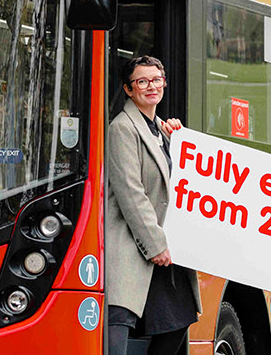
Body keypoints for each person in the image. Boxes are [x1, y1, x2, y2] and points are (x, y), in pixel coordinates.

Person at [106, 56, 200, 355]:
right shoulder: (122, 128)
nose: (151, 87)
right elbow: (131, 192)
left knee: (178, 318)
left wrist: (178, 142)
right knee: (118, 324)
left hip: (165, 251)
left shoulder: (161, 129)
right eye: (142, 81)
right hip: (136, 246)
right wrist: (155, 243)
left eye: (156, 80)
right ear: (128, 89)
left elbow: (178, 183)